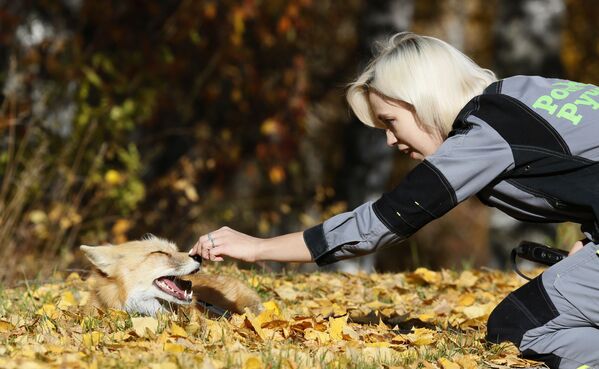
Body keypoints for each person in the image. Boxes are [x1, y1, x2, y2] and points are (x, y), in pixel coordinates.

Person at [188, 32, 599, 369]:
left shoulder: (485, 133)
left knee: (521, 324)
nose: (389, 140)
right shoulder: (526, 92)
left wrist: (258, 246)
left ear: (422, 99)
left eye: (390, 121)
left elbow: (382, 223)